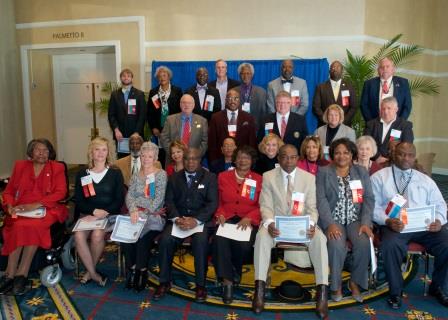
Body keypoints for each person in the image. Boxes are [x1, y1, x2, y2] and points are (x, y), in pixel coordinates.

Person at [252, 144, 329, 319]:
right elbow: (265, 205)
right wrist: (270, 223)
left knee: (320, 239)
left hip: (301, 226)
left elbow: (312, 208)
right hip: (277, 227)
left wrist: (310, 225)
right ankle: (260, 289)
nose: (288, 161)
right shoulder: (268, 176)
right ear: (278, 158)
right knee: (262, 237)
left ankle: (322, 293)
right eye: (285, 157)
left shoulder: (308, 178)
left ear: (298, 158)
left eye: (293, 157)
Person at [371, 142, 448, 309]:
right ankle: (395, 292)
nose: (406, 158)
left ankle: (437, 287)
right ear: (393, 155)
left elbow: (441, 205)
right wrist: (386, 220)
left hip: (424, 226)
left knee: (446, 244)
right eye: (401, 154)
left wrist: (439, 221)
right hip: (395, 225)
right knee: (390, 246)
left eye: (410, 155)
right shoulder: (379, 177)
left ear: (414, 157)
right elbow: (371, 206)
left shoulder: (425, 180)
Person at [0, 139, 68, 295]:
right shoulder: (20, 166)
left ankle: (21, 274)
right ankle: (10, 274)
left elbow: (60, 192)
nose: (42, 153)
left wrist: (37, 204)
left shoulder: (56, 167)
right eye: (38, 150)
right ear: (31, 152)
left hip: (46, 209)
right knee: (17, 225)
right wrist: (9, 206)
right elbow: (9, 192)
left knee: (34, 226)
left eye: (46, 150)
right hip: (21, 208)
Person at [153, 148, 218, 303]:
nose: (190, 162)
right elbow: (169, 201)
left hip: (200, 222)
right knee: (165, 240)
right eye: (187, 159)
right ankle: (164, 281)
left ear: (200, 160)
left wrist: (195, 220)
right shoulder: (174, 177)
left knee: (201, 243)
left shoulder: (210, 177)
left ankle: (200, 285)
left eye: (194, 159)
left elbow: (212, 203)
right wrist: (176, 219)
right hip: (179, 220)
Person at [316, 138, 374, 303]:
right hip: (334, 219)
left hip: (356, 219)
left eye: (346, 152)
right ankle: (336, 286)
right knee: (335, 245)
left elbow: (368, 199)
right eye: (338, 152)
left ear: (351, 154)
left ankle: (354, 282)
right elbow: (321, 200)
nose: (341, 156)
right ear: (332, 154)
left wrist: (365, 223)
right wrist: (330, 224)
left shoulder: (361, 172)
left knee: (363, 243)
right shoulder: (324, 172)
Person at [213, 146, 262, 304]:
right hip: (226, 218)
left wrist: (250, 218)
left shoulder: (258, 179)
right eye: (240, 157)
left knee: (243, 245)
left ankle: (234, 272)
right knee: (220, 241)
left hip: (247, 219)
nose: (243, 161)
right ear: (234, 159)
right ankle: (228, 282)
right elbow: (217, 201)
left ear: (252, 161)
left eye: (247, 158)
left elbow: (262, 205)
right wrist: (219, 213)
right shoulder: (222, 176)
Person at [73, 137, 124, 286]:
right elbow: (79, 200)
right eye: (97, 149)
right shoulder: (83, 173)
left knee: (96, 235)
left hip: (108, 215)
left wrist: (104, 212)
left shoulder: (115, 172)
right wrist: (93, 211)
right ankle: (94, 273)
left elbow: (119, 200)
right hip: (88, 214)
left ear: (108, 152)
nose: (100, 153)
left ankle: (89, 272)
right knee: (78, 236)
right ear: (91, 152)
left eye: (104, 149)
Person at [123, 142, 167, 292]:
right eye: (143, 155)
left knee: (143, 237)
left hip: (153, 217)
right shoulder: (136, 175)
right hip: (136, 214)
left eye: (150, 156)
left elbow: (158, 200)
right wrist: (134, 209)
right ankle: (132, 269)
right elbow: (129, 196)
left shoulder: (161, 174)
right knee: (126, 236)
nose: (146, 158)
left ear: (155, 158)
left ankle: (142, 271)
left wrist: (142, 211)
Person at [208, 89, 257, 162]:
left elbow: (252, 142)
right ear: (226, 100)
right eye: (230, 98)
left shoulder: (248, 118)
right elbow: (212, 143)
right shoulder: (216, 118)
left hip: (243, 161)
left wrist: (251, 161)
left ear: (239, 100)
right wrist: (214, 162)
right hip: (221, 161)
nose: (232, 101)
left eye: (236, 98)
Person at [147, 66, 183, 165]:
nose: (162, 78)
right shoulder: (153, 92)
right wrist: (153, 127)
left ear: (169, 77)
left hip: (174, 127)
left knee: (175, 151)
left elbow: (181, 110)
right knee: (162, 153)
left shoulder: (177, 91)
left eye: (164, 75)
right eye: (159, 76)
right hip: (159, 129)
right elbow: (150, 112)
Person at [108, 68, 146, 158]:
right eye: (123, 76)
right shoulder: (115, 94)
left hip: (135, 135)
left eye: (128, 76)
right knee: (122, 159)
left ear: (132, 78)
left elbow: (142, 115)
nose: (126, 78)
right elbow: (111, 115)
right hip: (120, 135)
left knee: (137, 159)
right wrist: (116, 130)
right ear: (120, 78)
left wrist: (137, 132)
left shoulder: (139, 94)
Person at [363, 96, 414, 164]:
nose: (385, 112)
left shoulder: (405, 125)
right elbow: (365, 143)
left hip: (394, 163)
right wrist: (377, 157)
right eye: (383, 109)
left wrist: (389, 160)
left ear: (396, 109)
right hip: (373, 162)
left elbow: (407, 148)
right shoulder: (371, 124)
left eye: (389, 108)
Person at [360, 57, 412, 122]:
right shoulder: (369, 84)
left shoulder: (403, 83)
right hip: (374, 124)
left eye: (387, 66)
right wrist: (371, 123)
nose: (385, 69)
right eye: (382, 67)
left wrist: (399, 123)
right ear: (378, 70)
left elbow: (407, 105)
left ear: (393, 69)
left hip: (396, 125)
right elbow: (364, 105)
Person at [160, 94, 208, 160]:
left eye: (189, 103)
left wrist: (196, 155)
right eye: (184, 103)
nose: (186, 105)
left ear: (193, 105)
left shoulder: (202, 121)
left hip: (193, 160)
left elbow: (205, 141)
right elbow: (164, 138)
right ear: (180, 104)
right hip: (173, 160)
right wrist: (174, 153)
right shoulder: (170, 120)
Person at [313, 60, 357, 126]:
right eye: (332, 67)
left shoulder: (349, 87)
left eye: (338, 67)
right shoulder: (320, 87)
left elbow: (353, 106)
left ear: (342, 71)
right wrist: (327, 121)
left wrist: (343, 121)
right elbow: (316, 107)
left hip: (344, 126)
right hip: (325, 126)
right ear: (329, 71)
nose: (335, 69)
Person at [233, 62, 268, 129]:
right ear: (239, 75)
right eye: (242, 73)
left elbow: (264, 114)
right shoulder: (233, 92)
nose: (245, 76)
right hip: (238, 129)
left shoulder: (262, 92)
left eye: (248, 73)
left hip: (256, 130)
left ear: (252, 75)